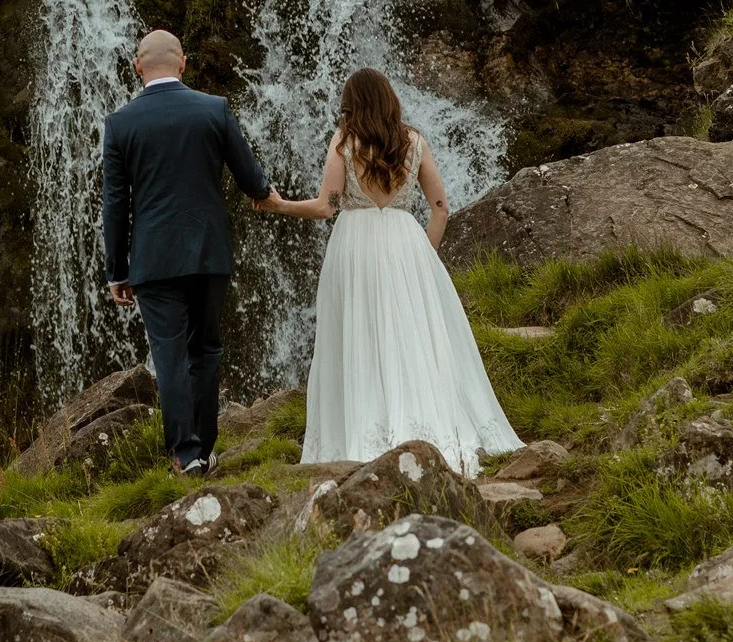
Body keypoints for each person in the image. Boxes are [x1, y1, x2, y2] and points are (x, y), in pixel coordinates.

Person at [256, 66, 520, 473]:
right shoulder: (413, 141)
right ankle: (428, 430)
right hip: (405, 242)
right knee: (413, 336)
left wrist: (280, 205)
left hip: (355, 245)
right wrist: (424, 255)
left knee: (357, 332)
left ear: (352, 105)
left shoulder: (344, 142)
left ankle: (362, 430)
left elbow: (326, 205)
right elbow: (440, 207)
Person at [103, 29, 278, 474]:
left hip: (154, 260)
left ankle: (184, 455)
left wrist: (116, 271)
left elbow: (115, 205)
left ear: (138, 66)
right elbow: (252, 179)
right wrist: (271, 195)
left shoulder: (120, 123)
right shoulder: (213, 109)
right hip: (208, 252)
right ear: (183, 63)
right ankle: (204, 448)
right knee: (207, 349)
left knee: (170, 355)